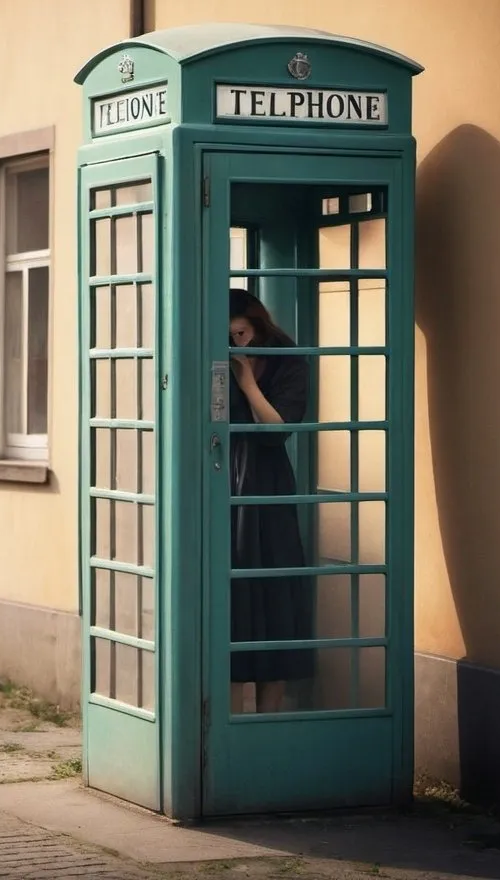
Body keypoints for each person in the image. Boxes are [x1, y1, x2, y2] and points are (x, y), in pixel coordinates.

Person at [228, 288, 314, 713]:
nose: (235, 343)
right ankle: (222, 733)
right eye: (228, 335)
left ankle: (268, 727)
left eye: (240, 333)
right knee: (228, 604)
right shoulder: (210, 352)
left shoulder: (286, 357)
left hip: (267, 483)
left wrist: (245, 382)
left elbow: (278, 429)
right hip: (219, 481)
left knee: (275, 597)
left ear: (257, 323)